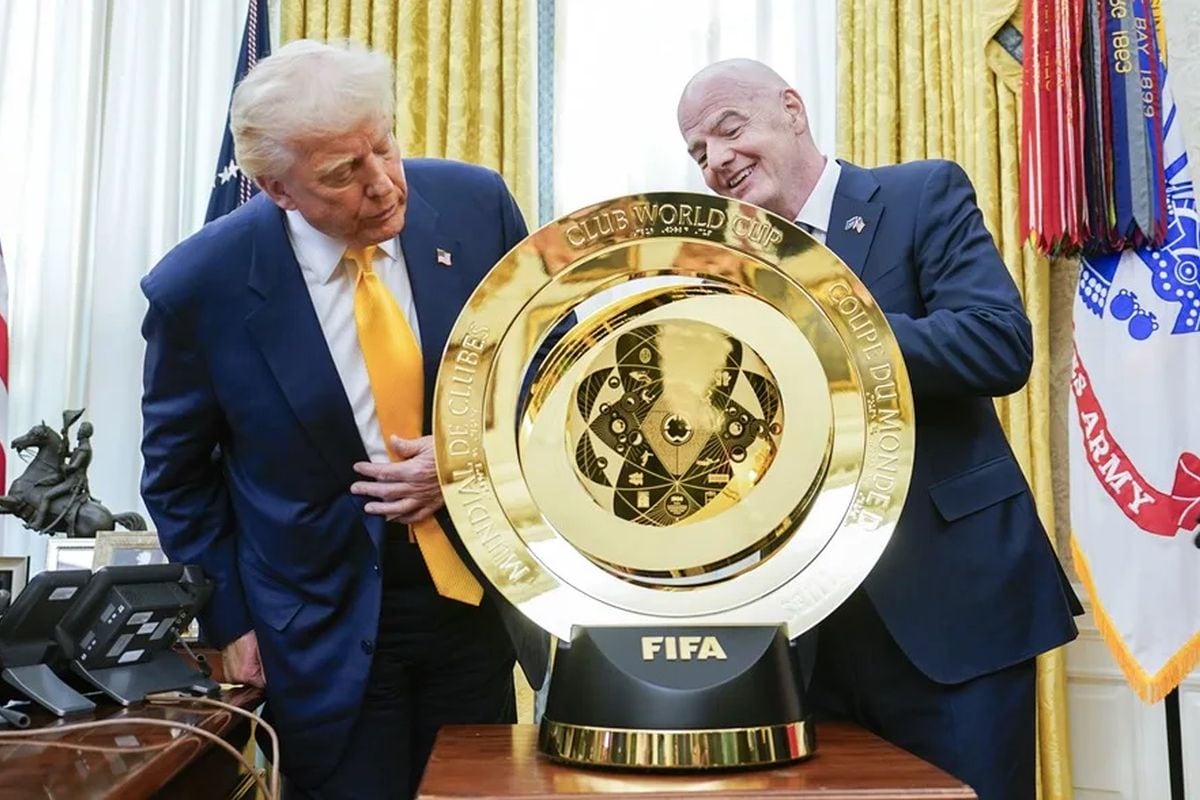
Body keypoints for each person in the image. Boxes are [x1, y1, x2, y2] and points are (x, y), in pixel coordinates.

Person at [141, 40, 550, 799]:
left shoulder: (475, 206)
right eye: (342, 173)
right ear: (278, 188)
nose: (384, 184)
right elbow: (177, 478)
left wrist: (465, 456)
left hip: (473, 600)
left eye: (385, 146)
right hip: (320, 623)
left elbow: (544, 381)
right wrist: (226, 619)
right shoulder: (201, 286)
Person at [677, 59, 1082, 800]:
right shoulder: (728, 274)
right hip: (810, 636)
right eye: (698, 154)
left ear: (792, 110)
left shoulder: (919, 194)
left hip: (953, 612)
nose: (717, 161)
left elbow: (997, 342)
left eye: (727, 132)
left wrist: (828, 331)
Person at [32, 421, 93, 531]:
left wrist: (63, 466)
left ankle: (38, 523)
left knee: (47, 496)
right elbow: (69, 454)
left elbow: (74, 466)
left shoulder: (84, 449)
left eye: (80, 431)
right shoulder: (81, 448)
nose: (78, 433)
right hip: (70, 478)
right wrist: (65, 440)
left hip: (73, 481)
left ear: (84, 433)